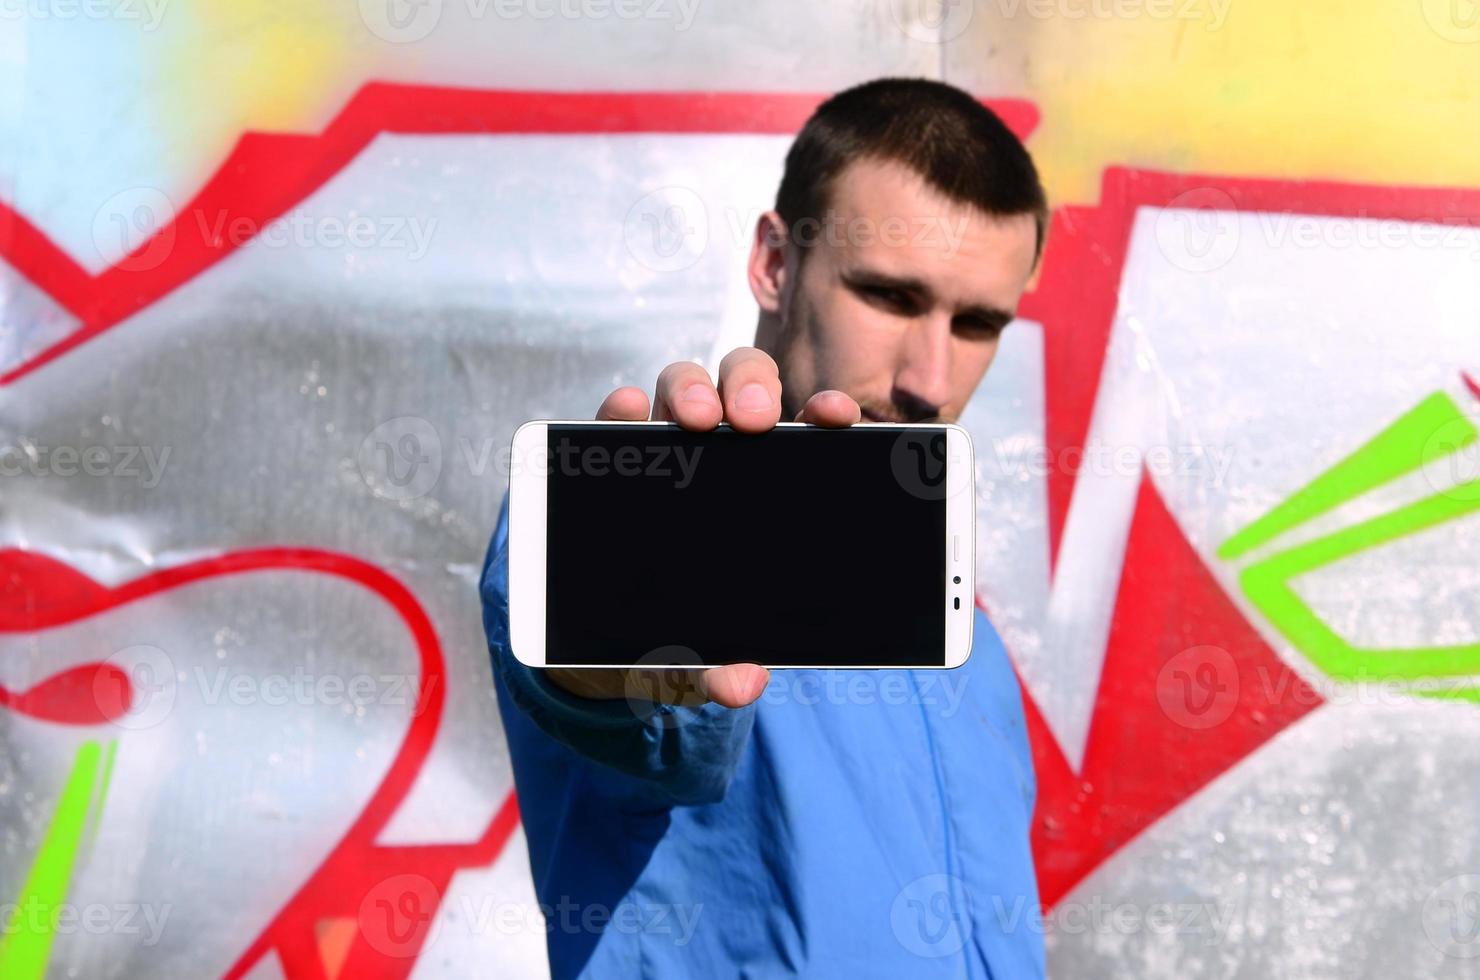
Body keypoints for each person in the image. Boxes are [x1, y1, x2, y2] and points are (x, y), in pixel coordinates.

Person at [482, 76, 1049, 978]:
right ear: (777, 266)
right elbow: (604, 687)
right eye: (892, 297)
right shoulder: (627, 524)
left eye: (977, 322)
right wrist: (623, 642)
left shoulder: (966, 644)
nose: (932, 380)